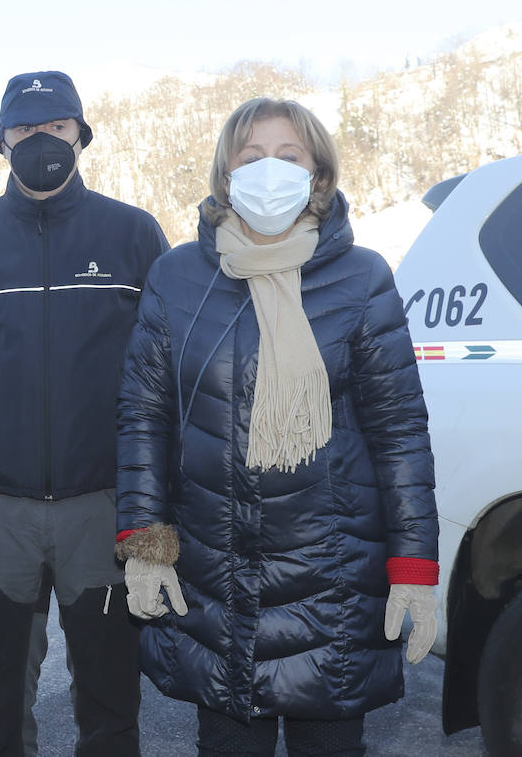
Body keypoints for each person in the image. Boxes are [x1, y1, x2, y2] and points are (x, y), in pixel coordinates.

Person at [115, 97, 439, 756]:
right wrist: (147, 550)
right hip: (217, 580)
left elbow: (399, 432)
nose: (269, 171)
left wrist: (414, 567)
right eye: (251, 156)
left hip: (337, 582)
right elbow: (144, 424)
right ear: (225, 173)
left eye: (288, 157)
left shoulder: (360, 277)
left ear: (318, 174)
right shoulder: (178, 277)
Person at [0, 70, 170, 756]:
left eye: (57, 127)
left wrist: (158, 540)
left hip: (106, 507)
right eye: (27, 129)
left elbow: (166, 391)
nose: (43, 140)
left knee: (112, 706)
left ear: (81, 135)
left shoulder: (132, 234)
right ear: (2, 141)